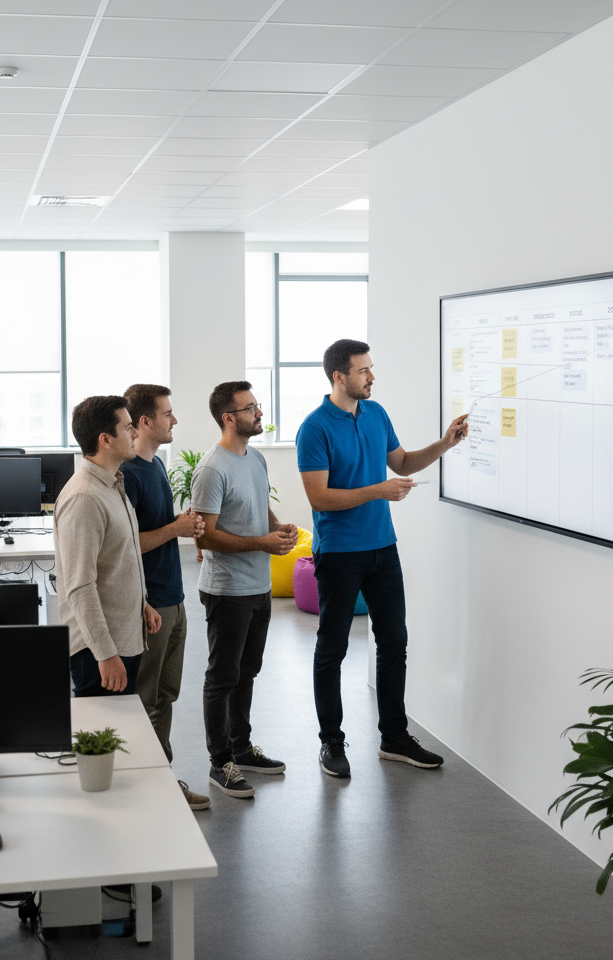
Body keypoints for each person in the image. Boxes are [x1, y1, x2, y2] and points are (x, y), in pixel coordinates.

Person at [296, 339, 469, 777]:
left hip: (382, 548)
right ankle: (331, 743)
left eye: (371, 369)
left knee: (395, 643)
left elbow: (403, 461)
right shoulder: (314, 428)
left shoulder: (376, 414)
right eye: (363, 371)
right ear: (339, 376)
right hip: (338, 553)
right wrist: (379, 490)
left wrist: (445, 443)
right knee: (331, 649)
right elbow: (319, 496)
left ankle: (394, 737)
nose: (371, 377)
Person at [192, 381, 298, 798]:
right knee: (222, 678)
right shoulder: (212, 468)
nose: (258, 412)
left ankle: (241, 747)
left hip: (258, 586)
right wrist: (261, 543)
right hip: (227, 589)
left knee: (247, 672)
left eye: (258, 405)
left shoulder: (254, 458)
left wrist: (276, 527)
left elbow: (258, 503)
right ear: (228, 417)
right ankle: (221, 763)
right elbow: (206, 538)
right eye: (250, 407)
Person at [121, 384, 209, 811]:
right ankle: (146, 786)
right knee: (144, 699)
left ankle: (162, 778)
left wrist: (180, 525)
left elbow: (157, 530)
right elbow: (129, 545)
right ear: (145, 422)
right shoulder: (130, 475)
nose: (174, 420)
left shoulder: (155, 466)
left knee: (165, 696)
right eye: (168, 414)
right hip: (151, 606)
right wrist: (174, 529)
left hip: (174, 598)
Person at [53, 395, 161, 697]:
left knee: (121, 733)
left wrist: (140, 602)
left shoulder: (113, 484)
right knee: (103, 740)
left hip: (123, 636)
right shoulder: (85, 498)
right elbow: (80, 587)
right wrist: (104, 654)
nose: (136, 433)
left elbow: (116, 558)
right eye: (128, 428)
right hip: (99, 650)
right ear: (105, 439)